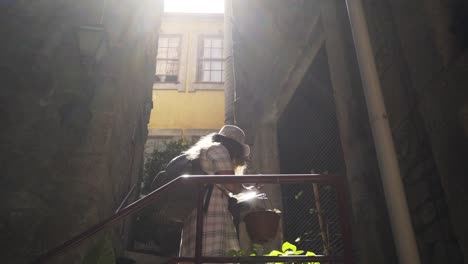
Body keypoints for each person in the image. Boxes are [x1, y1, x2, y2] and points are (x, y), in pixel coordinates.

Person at [179, 125, 250, 258]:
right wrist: (249, 192)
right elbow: (231, 185)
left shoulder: (208, 148)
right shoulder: (219, 149)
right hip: (211, 215)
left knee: (198, 255)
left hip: (200, 212)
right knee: (210, 256)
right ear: (234, 145)